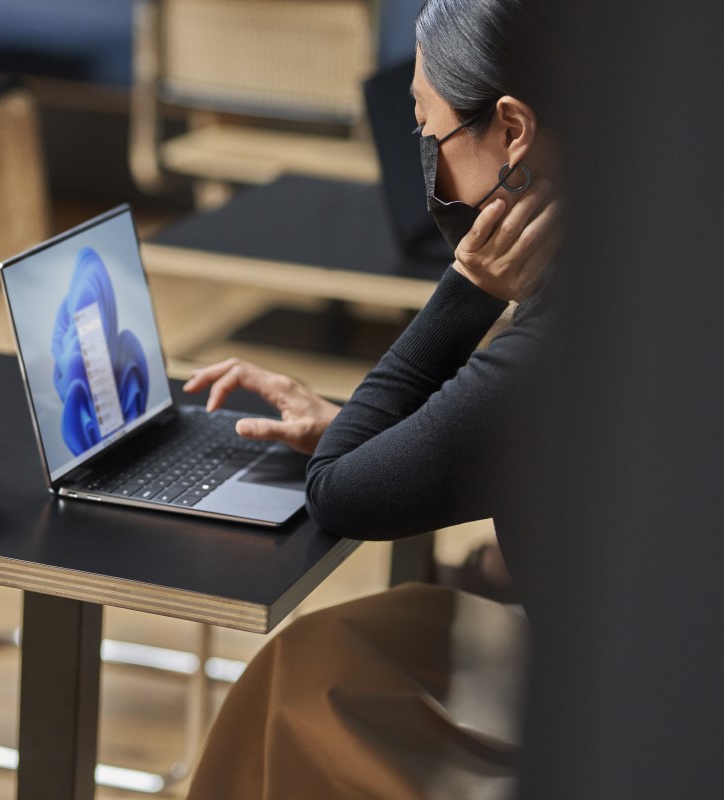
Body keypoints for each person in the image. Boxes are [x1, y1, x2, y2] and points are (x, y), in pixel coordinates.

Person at [180, 0, 561, 797]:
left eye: (431, 129)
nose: (424, 153)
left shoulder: (565, 345)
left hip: (617, 707)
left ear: (513, 131)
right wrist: (350, 425)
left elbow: (342, 494)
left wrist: (467, 290)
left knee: (301, 682)